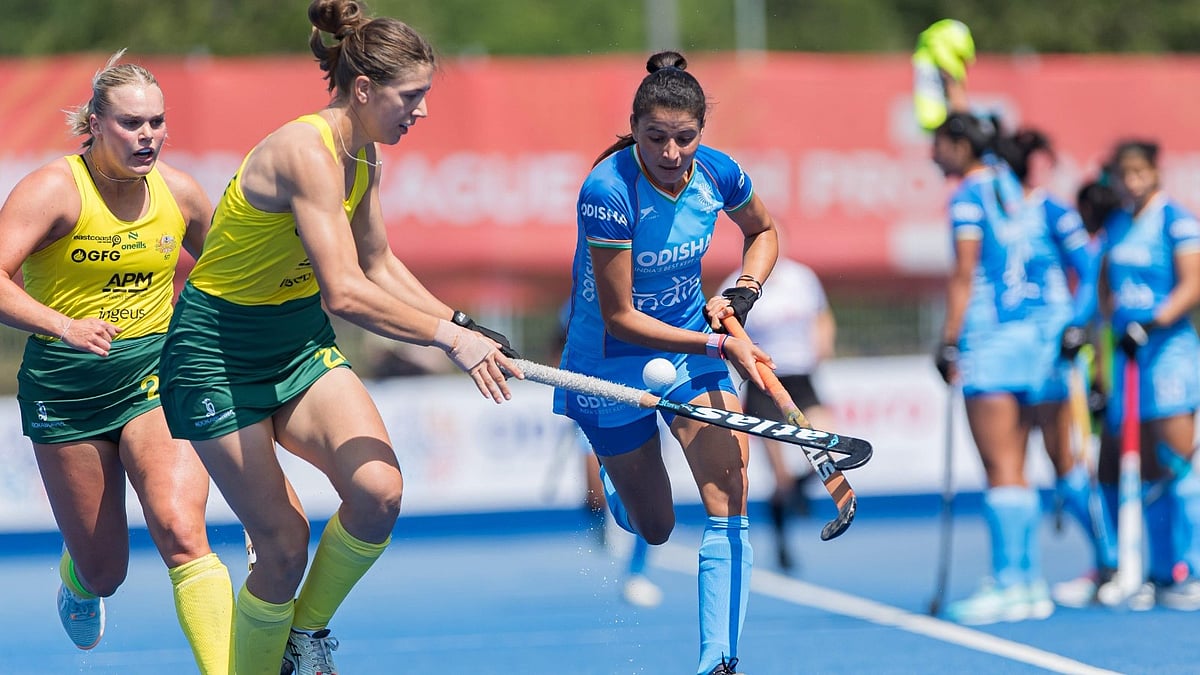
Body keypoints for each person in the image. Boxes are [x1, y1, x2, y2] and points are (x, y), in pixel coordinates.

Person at [157, 2, 520, 673]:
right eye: (412, 97)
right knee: (285, 542)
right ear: (363, 89)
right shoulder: (306, 151)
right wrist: (448, 339)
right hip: (214, 357)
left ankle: (305, 633)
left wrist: (465, 325)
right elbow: (348, 291)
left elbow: (380, 262)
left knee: (379, 491)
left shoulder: (364, 156)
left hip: (295, 342)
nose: (423, 111)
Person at [0, 51, 232, 671]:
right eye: (131, 123)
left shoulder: (179, 194)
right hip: (66, 388)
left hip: (156, 377)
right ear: (96, 123)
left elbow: (230, 277)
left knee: (183, 532)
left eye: (157, 122)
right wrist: (61, 324)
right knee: (107, 572)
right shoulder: (53, 189)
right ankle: (79, 576)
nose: (148, 135)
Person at [554, 50, 780, 675]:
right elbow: (621, 315)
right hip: (610, 358)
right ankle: (620, 480)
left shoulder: (720, 172)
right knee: (653, 527)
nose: (672, 153)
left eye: (685, 138)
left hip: (688, 345)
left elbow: (763, 233)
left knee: (730, 492)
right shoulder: (607, 190)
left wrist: (741, 293)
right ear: (634, 129)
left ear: (701, 132)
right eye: (656, 138)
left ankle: (719, 661)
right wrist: (718, 343)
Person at [932, 112, 1062, 625]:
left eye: (940, 145)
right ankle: (1028, 583)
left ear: (963, 146)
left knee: (1001, 468)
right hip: (1038, 344)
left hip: (989, 342)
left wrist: (946, 342)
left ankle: (1009, 583)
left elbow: (964, 274)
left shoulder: (968, 196)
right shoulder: (1015, 185)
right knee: (1021, 467)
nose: (933, 155)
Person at [993, 130, 1119, 607]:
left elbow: (1089, 271)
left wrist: (1075, 325)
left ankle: (1110, 555)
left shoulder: (1052, 211)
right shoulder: (992, 211)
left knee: (1065, 460)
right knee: (1016, 462)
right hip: (1009, 354)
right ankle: (1022, 577)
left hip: (1054, 356)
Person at [1092, 140, 1200, 610]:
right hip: (1128, 358)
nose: (1131, 183)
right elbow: (1104, 289)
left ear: (1155, 172)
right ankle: (1159, 569)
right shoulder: (1117, 223)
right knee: (1144, 470)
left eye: (1139, 173)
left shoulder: (1176, 219)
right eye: (1124, 175)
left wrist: (1153, 321)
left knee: (1177, 464)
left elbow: (1193, 283)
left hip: (1169, 353)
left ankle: (1192, 567)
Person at [718, 257, 832, 572]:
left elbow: (822, 316)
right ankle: (783, 542)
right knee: (779, 475)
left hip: (800, 377)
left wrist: (822, 347)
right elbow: (725, 336)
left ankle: (798, 489)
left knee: (826, 446)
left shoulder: (802, 277)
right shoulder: (734, 284)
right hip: (762, 383)